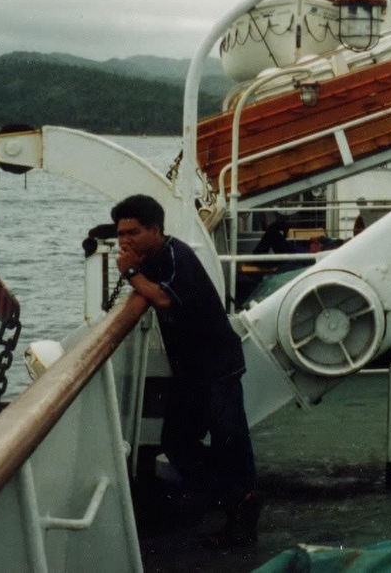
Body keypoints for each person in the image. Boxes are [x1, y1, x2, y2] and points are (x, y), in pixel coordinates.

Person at [113, 194, 259, 547]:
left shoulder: (176, 255)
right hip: (192, 371)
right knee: (177, 441)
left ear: (156, 230)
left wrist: (129, 271)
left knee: (229, 440)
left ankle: (240, 510)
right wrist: (137, 272)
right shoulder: (154, 258)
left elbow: (163, 299)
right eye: (120, 234)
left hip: (216, 366)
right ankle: (231, 496)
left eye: (132, 232)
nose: (124, 241)